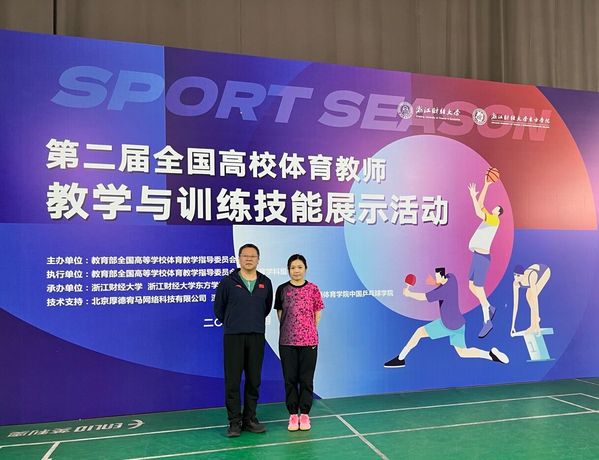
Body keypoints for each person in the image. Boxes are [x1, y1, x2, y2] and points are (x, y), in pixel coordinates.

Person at [384, 267, 509, 368]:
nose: (436, 278)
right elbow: (442, 282)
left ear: (441, 276)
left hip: (447, 325)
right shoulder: (451, 279)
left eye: (437, 276)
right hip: (459, 324)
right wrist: (434, 282)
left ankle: (400, 358)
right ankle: (490, 355)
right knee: (463, 352)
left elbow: (424, 297)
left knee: (419, 333)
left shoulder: (442, 291)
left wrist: (409, 294)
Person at [213, 243, 273, 438]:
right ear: (239, 259)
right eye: (245, 255)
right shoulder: (227, 282)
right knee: (233, 381)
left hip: (256, 335)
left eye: (252, 256)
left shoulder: (265, 282)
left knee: (254, 380)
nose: (249, 259)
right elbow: (219, 309)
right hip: (234, 337)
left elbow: (266, 307)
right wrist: (234, 322)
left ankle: (250, 419)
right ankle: (234, 422)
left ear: (258, 259)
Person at [275, 254, 324, 432]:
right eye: (293, 267)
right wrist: (291, 329)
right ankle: (292, 415)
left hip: (309, 341)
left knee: (306, 379)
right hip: (287, 342)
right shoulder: (282, 289)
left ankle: (304, 414)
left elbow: (317, 314)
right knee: (290, 379)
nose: (296, 271)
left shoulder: (313, 289)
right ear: (288, 270)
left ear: (305, 269)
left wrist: (306, 330)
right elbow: (280, 313)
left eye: (300, 267)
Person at [467, 177, 504, 338]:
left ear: (498, 212)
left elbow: (478, 211)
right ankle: (489, 306)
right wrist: (485, 185)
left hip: (482, 257)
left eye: (496, 208)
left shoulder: (494, 219)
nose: (494, 207)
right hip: (477, 255)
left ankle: (487, 321)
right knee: (471, 286)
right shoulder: (489, 218)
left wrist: (473, 196)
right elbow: (480, 206)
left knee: (479, 289)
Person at [511, 263, 551, 336]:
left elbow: (535, 300)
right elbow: (515, 304)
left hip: (544, 272)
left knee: (531, 296)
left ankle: (534, 324)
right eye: (514, 275)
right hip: (534, 271)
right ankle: (536, 319)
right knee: (528, 296)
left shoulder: (531, 276)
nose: (516, 278)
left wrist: (537, 326)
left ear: (523, 275)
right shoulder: (515, 283)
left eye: (518, 276)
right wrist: (513, 326)